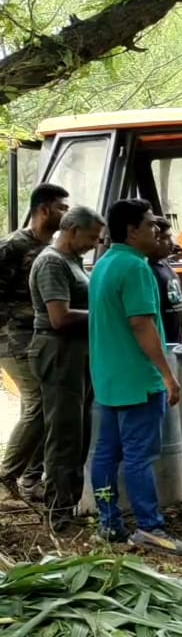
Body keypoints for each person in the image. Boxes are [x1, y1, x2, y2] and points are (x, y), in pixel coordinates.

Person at [88, 198, 182, 557]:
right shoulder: (136, 268)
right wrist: (167, 375)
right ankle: (150, 527)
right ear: (132, 231)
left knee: (106, 453)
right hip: (137, 379)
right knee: (138, 457)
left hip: (108, 379)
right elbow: (141, 324)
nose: (156, 230)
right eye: (150, 225)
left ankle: (109, 522)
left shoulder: (103, 264)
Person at [28, 206, 104, 530]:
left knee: (79, 431)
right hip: (59, 353)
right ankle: (57, 514)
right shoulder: (51, 263)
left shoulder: (72, 261)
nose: (94, 244)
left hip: (77, 353)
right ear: (72, 231)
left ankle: (68, 505)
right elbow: (59, 318)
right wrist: (105, 315)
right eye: (91, 237)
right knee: (63, 435)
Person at [0, 183, 69, 502]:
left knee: (49, 403)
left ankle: (30, 479)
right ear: (43, 210)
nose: (66, 214)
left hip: (40, 339)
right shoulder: (13, 246)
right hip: (12, 339)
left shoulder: (53, 251)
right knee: (38, 402)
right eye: (61, 208)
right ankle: (7, 475)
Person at [148, 218, 182, 346]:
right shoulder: (146, 270)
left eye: (171, 237)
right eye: (165, 238)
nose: (171, 243)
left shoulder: (165, 265)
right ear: (153, 239)